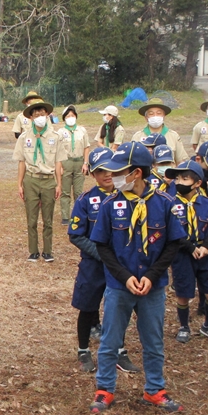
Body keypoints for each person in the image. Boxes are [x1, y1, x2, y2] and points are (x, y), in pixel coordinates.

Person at [89, 142, 186, 413]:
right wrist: (123, 276)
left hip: (152, 287)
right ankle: (104, 389)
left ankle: (154, 389)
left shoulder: (165, 204)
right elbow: (103, 246)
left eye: (120, 172)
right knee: (110, 340)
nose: (114, 177)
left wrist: (153, 276)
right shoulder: (110, 204)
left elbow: (173, 244)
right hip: (120, 286)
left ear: (137, 174)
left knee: (153, 341)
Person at [68, 147, 140, 374]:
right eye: (101, 171)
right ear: (92, 174)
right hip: (93, 266)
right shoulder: (86, 200)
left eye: (112, 169)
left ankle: (119, 351)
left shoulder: (129, 198)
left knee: (117, 309)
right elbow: (76, 234)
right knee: (87, 307)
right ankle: (83, 350)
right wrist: (100, 254)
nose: (107, 175)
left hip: (120, 267)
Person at [165, 161, 208, 344]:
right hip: (183, 254)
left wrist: (206, 246)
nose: (179, 182)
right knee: (183, 292)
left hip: (205, 253)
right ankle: (184, 326)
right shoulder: (171, 203)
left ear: (198, 183)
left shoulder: (205, 202)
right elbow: (172, 231)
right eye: (177, 178)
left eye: (185, 178)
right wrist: (191, 248)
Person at [13, 99, 67, 262]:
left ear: (47, 115)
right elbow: (21, 162)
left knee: (48, 218)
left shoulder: (55, 137)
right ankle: (33, 251)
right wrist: (20, 184)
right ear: (30, 118)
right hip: (31, 180)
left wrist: (58, 184)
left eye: (42, 114)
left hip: (49, 180)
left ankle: (48, 251)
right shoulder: (24, 137)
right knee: (31, 218)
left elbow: (58, 162)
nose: (39, 117)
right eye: (36, 114)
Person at [58, 105, 90, 225]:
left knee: (78, 192)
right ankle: (65, 216)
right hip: (66, 162)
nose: (70, 118)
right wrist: (60, 166)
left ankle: (78, 215)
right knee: (65, 191)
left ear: (76, 117)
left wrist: (85, 163)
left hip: (79, 162)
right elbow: (58, 150)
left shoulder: (82, 130)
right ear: (64, 118)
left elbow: (86, 147)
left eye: (72, 115)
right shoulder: (60, 132)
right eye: (68, 116)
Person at [131, 98, 188, 163]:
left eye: (159, 113)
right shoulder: (137, 137)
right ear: (146, 117)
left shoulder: (173, 136)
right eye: (151, 114)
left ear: (164, 116)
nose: (155, 116)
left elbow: (181, 161)